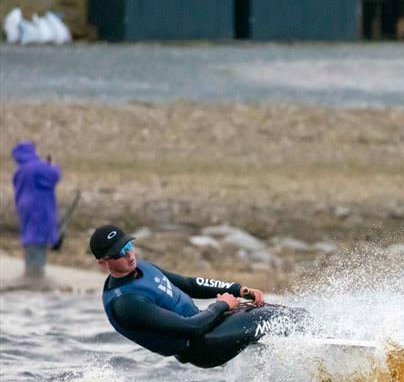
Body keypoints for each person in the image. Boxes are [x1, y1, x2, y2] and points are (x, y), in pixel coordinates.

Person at [90, 224, 278, 368]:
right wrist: (222, 305)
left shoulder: (143, 268)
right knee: (267, 317)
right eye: (120, 253)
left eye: (128, 245)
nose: (129, 255)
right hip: (203, 346)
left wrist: (239, 290)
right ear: (103, 263)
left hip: (208, 325)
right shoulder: (127, 303)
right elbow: (191, 327)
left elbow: (189, 284)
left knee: (268, 309)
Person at [12, 141, 61, 279]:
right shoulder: (37, 167)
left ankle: (30, 273)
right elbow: (54, 176)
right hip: (40, 210)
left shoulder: (20, 170)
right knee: (38, 240)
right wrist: (52, 165)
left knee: (30, 239)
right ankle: (35, 276)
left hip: (25, 209)